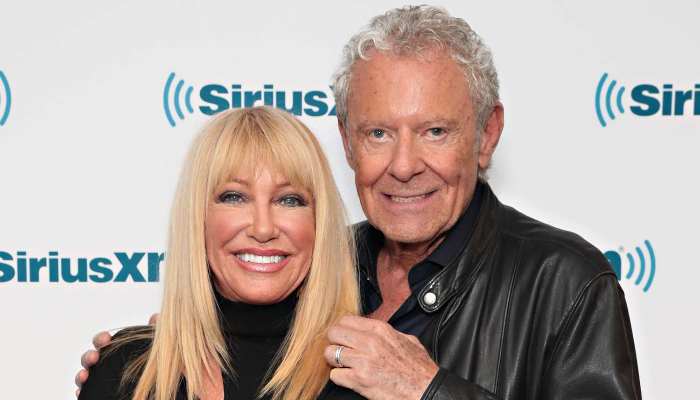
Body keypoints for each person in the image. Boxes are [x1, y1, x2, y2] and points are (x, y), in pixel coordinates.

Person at [78, 5, 642, 400]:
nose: (403, 164)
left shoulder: (563, 280)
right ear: (347, 141)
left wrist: (429, 391)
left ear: (486, 135)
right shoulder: (319, 261)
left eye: (434, 131)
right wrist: (156, 354)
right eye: (378, 133)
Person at [77, 106, 360, 400]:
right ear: (198, 218)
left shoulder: (362, 376)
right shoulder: (126, 371)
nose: (263, 228)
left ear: (319, 222)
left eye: (288, 200)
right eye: (234, 197)